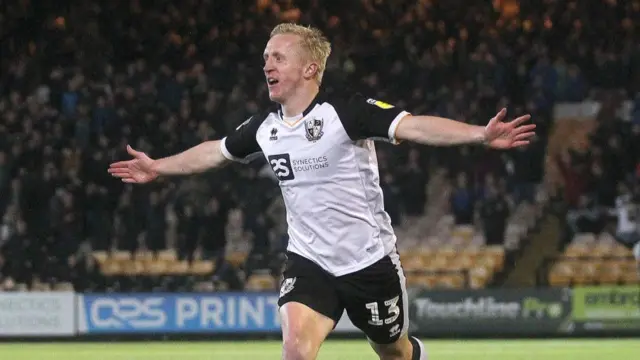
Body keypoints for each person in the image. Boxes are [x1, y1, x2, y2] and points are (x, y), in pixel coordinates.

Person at [109, 23, 535, 360]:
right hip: (309, 260)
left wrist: (480, 134)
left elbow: (415, 125)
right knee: (295, 350)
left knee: (394, 351)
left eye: (278, 56)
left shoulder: (344, 111)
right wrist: (157, 167)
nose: (267, 65)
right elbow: (216, 152)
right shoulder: (265, 127)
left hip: (369, 261)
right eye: (265, 57)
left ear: (310, 68)